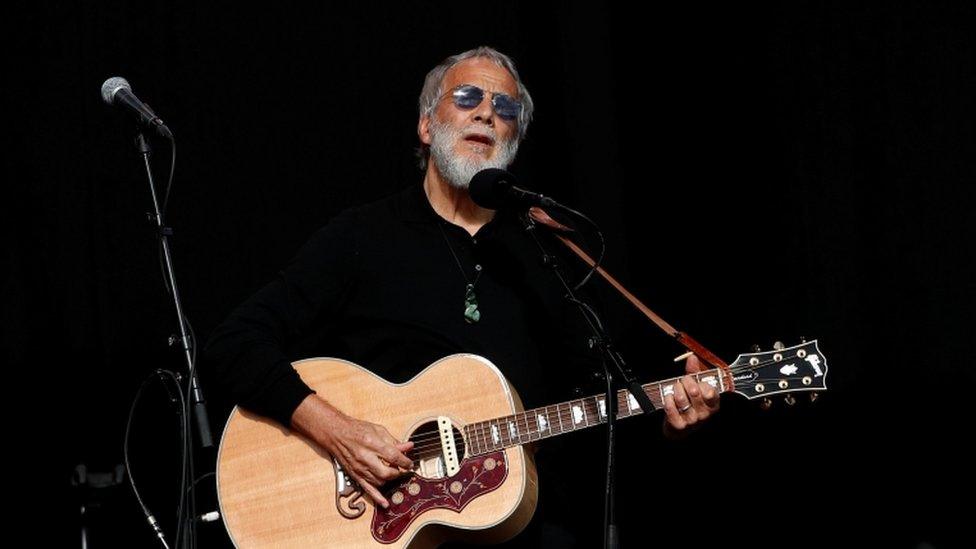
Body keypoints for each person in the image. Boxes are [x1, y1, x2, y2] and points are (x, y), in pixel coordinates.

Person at [205, 46, 720, 547]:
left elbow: (594, 420)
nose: (488, 114)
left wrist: (669, 421)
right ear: (427, 126)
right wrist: (336, 430)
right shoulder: (361, 237)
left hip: (530, 526)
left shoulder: (554, 252)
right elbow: (232, 345)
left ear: (515, 137)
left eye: (506, 107)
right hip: (377, 523)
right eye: (468, 97)